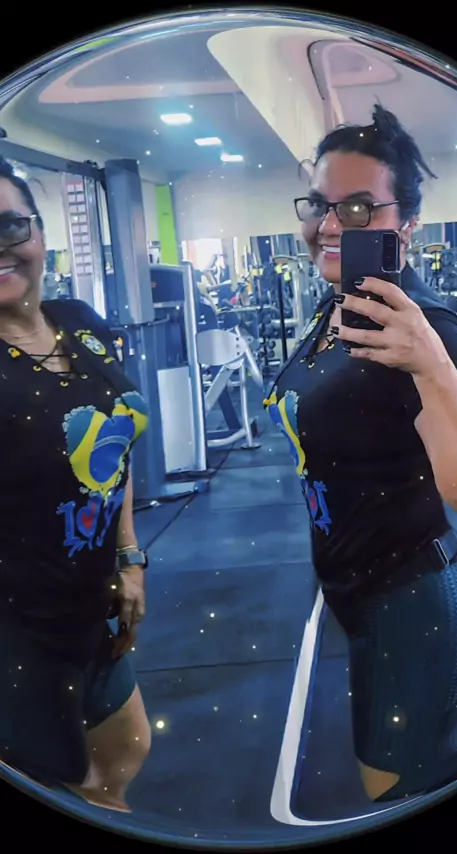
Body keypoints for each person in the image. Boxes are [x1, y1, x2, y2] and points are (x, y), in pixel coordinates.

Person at [265, 104, 457, 802]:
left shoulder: (429, 328)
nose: (331, 226)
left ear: (407, 223)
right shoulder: (341, 307)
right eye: (320, 205)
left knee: (394, 799)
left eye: (358, 207)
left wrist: (431, 363)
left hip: (414, 601)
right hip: (357, 592)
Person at [0, 157, 151, 811]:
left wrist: (129, 555)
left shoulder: (79, 322)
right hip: (19, 630)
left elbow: (116, 444)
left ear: (38, 232)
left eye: (9, 225)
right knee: (65, 790)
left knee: (126, 750)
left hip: (92, 605)